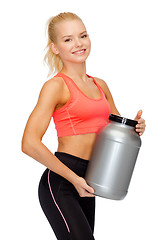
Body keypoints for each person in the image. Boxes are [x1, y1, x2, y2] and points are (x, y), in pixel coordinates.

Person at [21, 12, 146, 240]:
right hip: (62, 181)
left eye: (83, 36)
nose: (78, 44)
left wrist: (135, 126)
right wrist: (74, 179)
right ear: (55, 47)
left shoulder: (100, 85)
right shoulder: (55, 86)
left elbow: (115, 131)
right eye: (68, 39)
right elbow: (29, 143)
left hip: (90, 181)